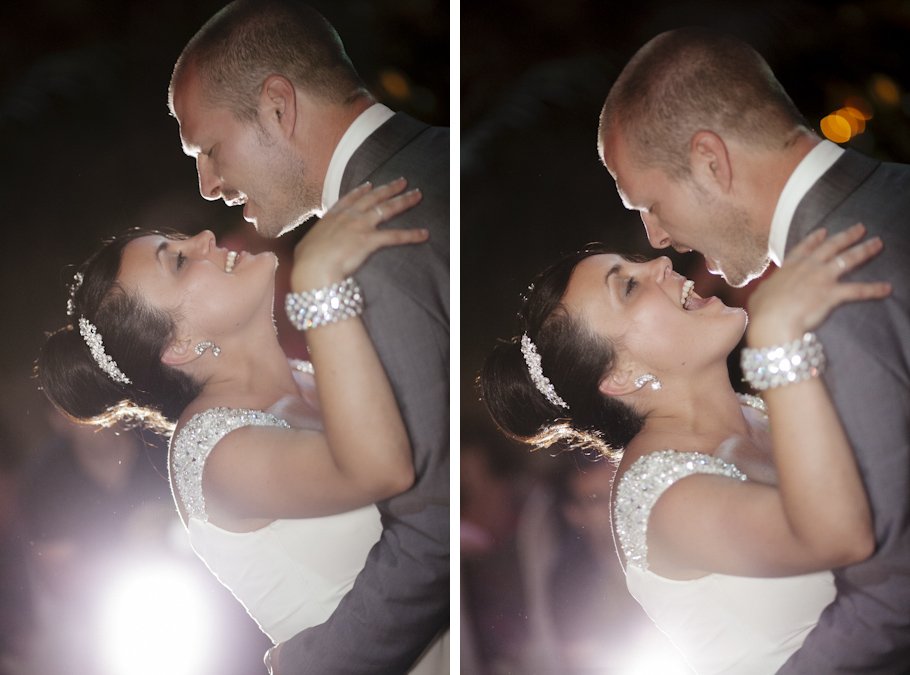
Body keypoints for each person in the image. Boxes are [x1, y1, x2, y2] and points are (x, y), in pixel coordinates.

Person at [597, 27, 910, 674]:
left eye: (652, 204)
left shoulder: (834, 295)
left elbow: (893, 585)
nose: (658, 239)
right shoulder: (892, 194)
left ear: (711, 160)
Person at [37, 182, 429, 669]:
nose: (203, 237)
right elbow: (381, 472)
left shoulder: (310, 375)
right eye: (178, 261)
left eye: (180, 241)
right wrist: (318, 282)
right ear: (178, 345)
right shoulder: (212, 453)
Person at [167, 2, 450, 671]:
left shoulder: (376, 251)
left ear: (275, 107)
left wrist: (315, 661)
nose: (208, 186)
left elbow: (436, 521)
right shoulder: (436, 155)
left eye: (209, 148)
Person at [481, 224, 891, 673]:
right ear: (620, 376)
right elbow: (842, 537)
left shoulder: (760, 410)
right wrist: (778, 338)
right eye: (630, 288)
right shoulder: (661, 498)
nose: (661, 263)